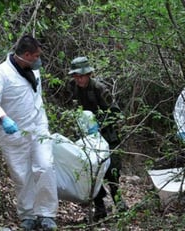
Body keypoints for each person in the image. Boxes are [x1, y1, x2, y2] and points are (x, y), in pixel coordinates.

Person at [0, 35, 58, 231]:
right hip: (14, 132)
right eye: (36, 56)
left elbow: (36, 97)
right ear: (25, 55)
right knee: (21, 174)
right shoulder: (1, 73)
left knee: (45, 166)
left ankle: (47, 214)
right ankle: (28, 215)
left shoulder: (34, 71)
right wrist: (2, 118)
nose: (39, 59)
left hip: (39, 127)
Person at [66, 56, 127, 221]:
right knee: (90, 171)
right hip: (87, 137)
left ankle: (119, 202)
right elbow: (72, 111)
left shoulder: (100, 89)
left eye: (82, 75)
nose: (79, 79)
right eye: (76, 76)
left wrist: (99, 124)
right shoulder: (72, 88)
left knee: (112, 171)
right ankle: (100, 206)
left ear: (89, 74)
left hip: (107, 135)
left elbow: (115, 114)